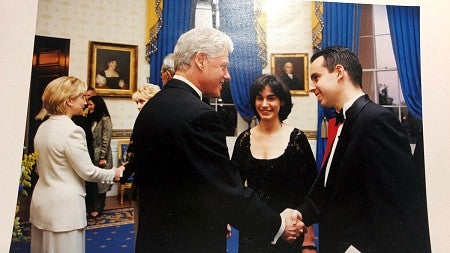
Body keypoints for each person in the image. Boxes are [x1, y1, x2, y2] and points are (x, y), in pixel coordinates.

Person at [131, 27, 305, 252]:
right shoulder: (200, 115)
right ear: (201, 60)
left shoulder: (152, 106)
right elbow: (225, 190)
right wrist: (279, 225)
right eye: (223, 66)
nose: (228, 75)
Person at [299, 46, 430, 252]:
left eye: (316, 77)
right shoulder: (346, 120)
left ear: (339, 72)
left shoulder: (377, 120)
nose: (311, 86)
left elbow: (398, 207)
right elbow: (331, 190)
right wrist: (299, 216)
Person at [29, 76, 124, 253]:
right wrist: (114, 172)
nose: (86, 102)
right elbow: (87, 171)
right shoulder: (72, 130)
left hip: (42, 202)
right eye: (82, 97)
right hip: (64, 208)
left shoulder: (43, 127)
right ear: (69, 101)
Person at [231, 74, 317, 253]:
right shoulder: (243, 140)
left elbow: (311, 193)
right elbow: (233, 189)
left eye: (271, 98)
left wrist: (309, 240)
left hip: (290, 232)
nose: (264, 104)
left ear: (282, 102)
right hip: (253, 232)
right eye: (259, 98)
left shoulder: (297, 139)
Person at [118, 84, 160, 233]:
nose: (138, 106)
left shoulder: (155, 122)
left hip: (154, 185)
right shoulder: (144, 120)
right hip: (145, 183)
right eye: (137, 102)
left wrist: (124, 172)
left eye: (142, 101)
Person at [85, 95, 113, 219]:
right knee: (92, 182)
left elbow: (105, 140)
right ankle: (92, 207)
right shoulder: (92, 118)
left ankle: (98, 208)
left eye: (91, 104)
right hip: (91, 155)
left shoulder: (105, 119)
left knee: (101, 184)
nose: (89, 107)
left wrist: (102, 157)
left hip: (102, 157)